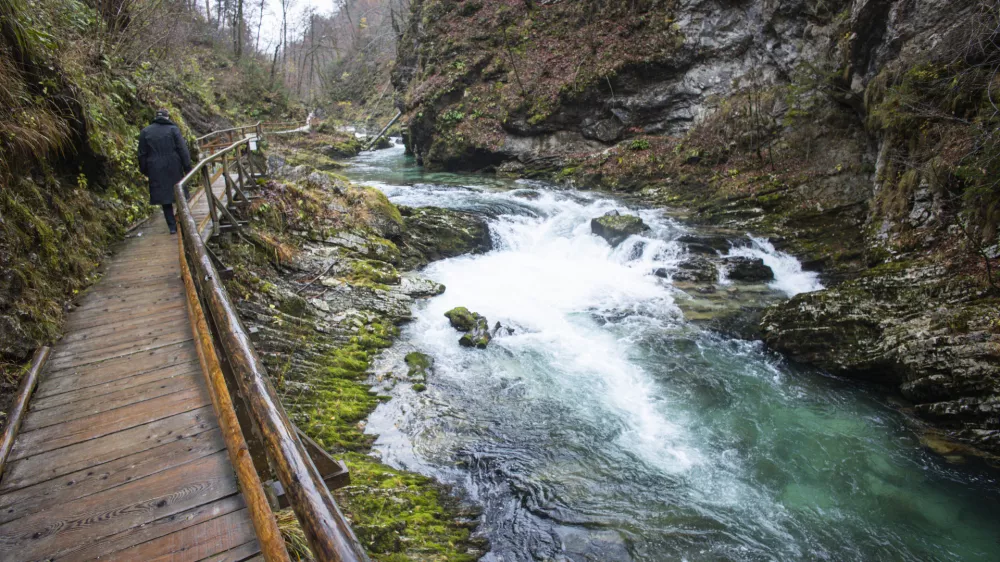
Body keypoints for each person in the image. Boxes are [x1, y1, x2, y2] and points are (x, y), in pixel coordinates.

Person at [138, 109, 192, 234]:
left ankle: (172, 227)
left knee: (165, 198)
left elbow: (142, 154)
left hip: (155, 167)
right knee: (178, 192)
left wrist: (145, 170)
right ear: (167, 117)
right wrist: (187, 167)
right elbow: (182, 150)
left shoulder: (145, 132)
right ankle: (184, 221)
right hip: (174, 164)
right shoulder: (173, 130)